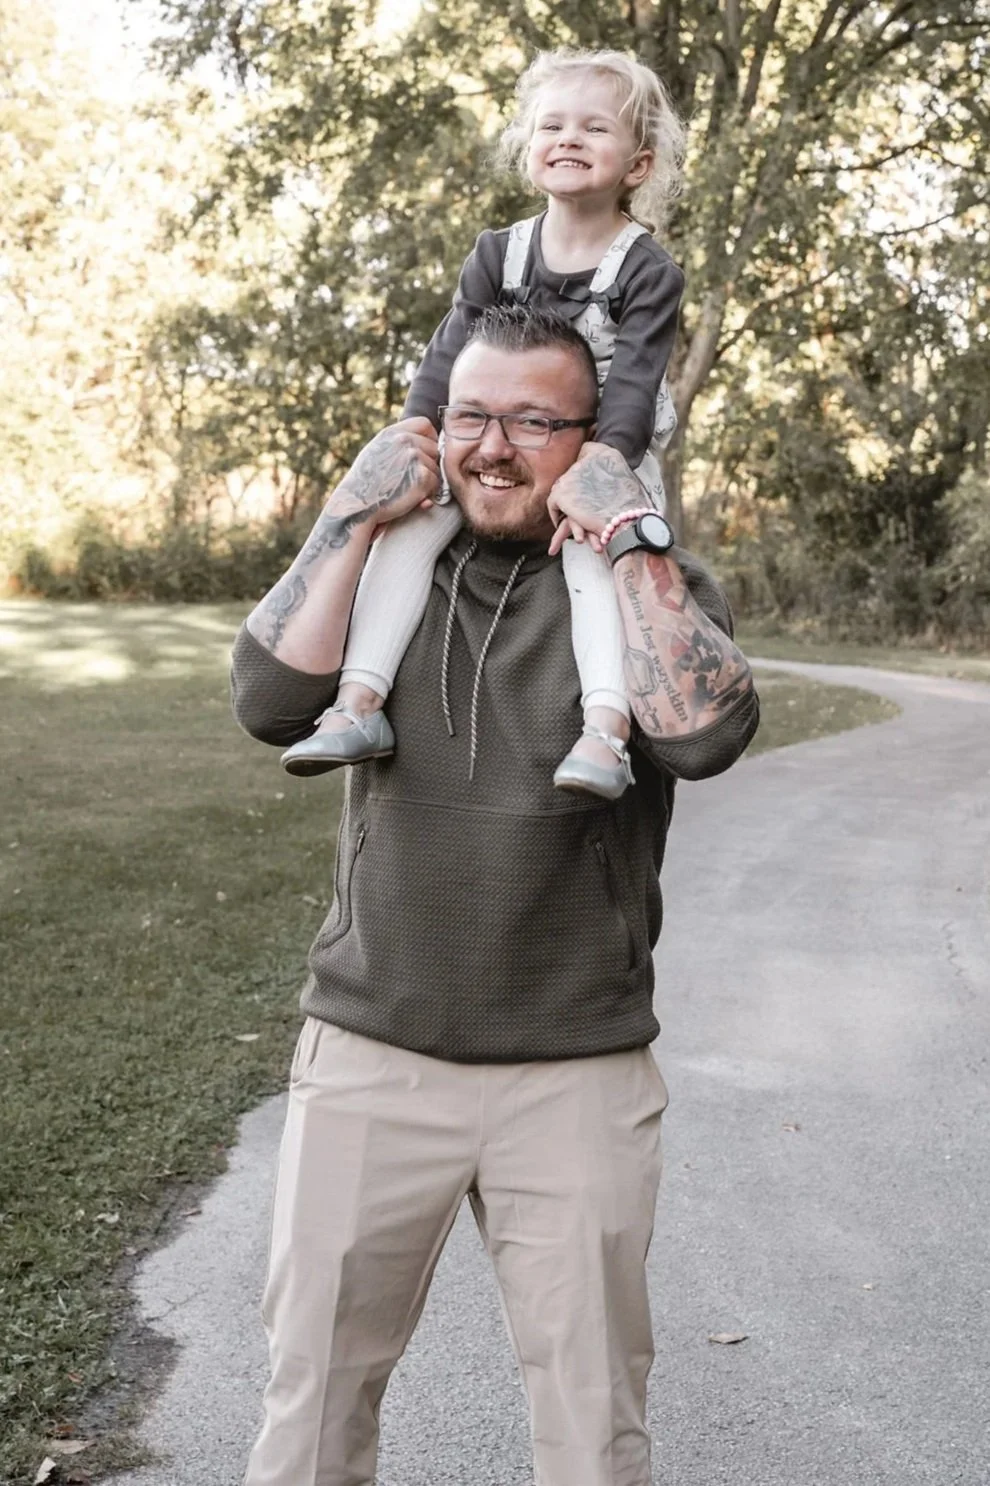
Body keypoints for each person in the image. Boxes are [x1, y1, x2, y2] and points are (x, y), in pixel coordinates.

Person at [230, 303, 759, 1486]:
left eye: (534, 420)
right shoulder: (387, 573)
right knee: (309, 1414)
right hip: (373, 1051)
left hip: (573, 1064)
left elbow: (706, 734)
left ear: (592, 438)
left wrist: (631, 537)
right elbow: (270, 701)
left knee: (593, 1429)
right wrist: (349, 511)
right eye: (472, 414)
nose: (495, 447)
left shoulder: (646, 582)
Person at [279, 47, 687, 801]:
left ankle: (605, 732)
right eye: (551, 125)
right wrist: (417, 441)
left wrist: (596, 480)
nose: (567, 138)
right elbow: (447, 356)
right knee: (408, 529)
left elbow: (632, 384)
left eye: (594, 128)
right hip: (495, 450)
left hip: (601, 455)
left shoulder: (645, 271)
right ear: (530, 148)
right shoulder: (498, 253)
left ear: (637, 163)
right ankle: (359, 702)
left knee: (596, 561)